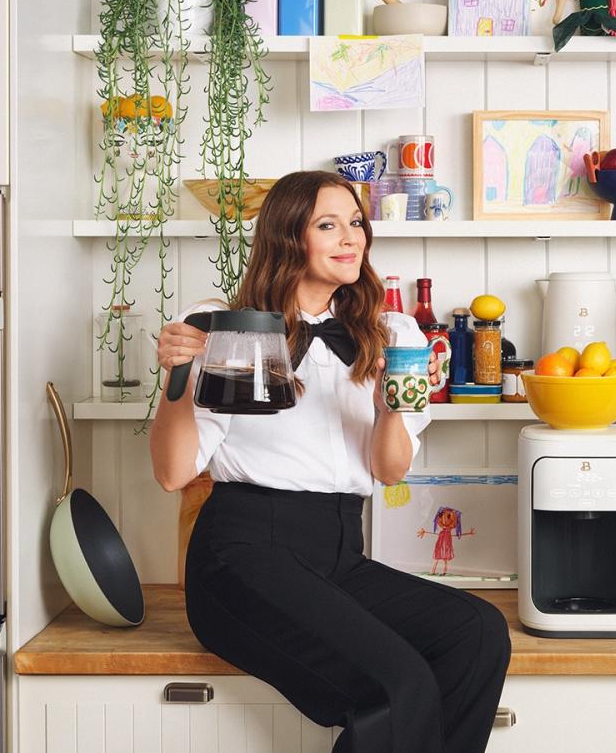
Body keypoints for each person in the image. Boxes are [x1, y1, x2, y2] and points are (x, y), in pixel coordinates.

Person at [150, 171, 510, 753]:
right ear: (289, 236)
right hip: (242, 555)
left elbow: (390, 470)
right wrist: (177, 377)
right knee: (397, 684)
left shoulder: (389, 332)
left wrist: (390, 403)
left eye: (356, 223)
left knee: (478, 632)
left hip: (339, 553)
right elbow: (171, 473)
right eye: (328, 225)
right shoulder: (228, 326)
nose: (352, 238)